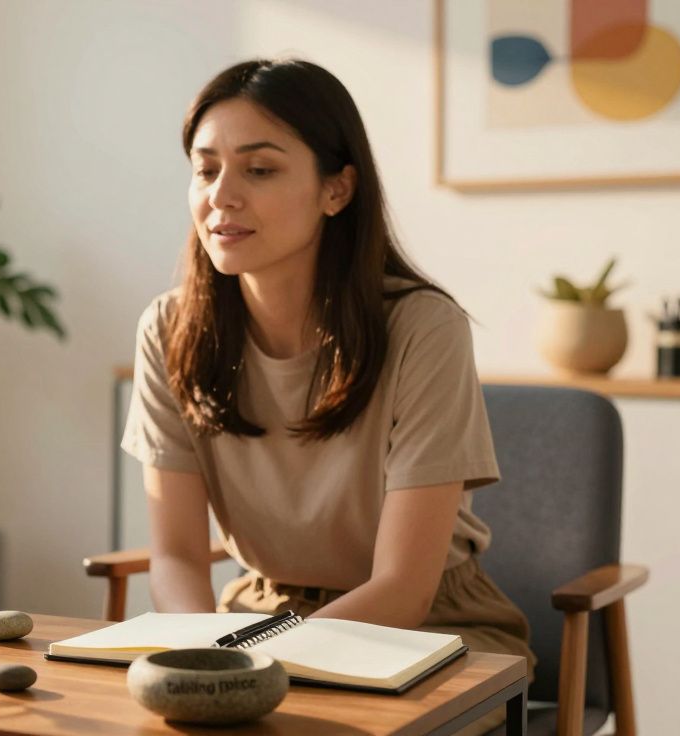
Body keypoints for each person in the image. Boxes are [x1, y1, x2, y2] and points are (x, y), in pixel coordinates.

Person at [121, 59, 534, 733]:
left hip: (426, 634)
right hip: (256, 619)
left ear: (337, 189)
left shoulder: (424, 328)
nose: (221, 195)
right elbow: (175, 557)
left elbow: (403, 589)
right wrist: (203, 658)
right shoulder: (168, 330)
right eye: (205, 169)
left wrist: (243, 662)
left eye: (259, 170)